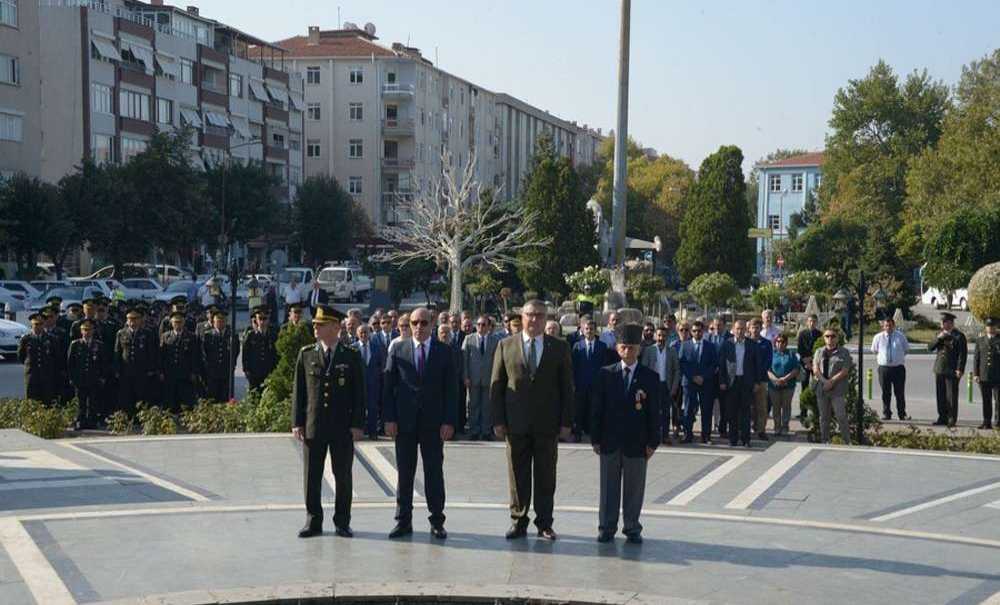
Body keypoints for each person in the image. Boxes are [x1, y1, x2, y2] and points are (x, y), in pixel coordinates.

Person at [491, 299, 574, 541]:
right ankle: (518, 520)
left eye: (539, 315)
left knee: (546, 476)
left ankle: (545, 523)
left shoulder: (559, 347)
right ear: (522, 317)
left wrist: (566, 421)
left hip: (547, 424)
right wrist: (498, 420)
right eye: (529, 315)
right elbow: (497, 387)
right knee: (517, 475)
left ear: (546, 318)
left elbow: (567, 388)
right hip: (515, 424)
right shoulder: (506, 345)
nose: (534, 319)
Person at [383, 307, 457, 540]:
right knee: (405, 473)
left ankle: (437, 521)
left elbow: (452, 390)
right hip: (404, 423)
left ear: (432, 324)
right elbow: (388, 387)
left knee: (434, 473)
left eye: (423, 323)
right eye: (414, 322)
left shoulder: (445, 351)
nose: (418, 327)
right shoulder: (398, 349)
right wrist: (389, 419)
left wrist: (449, 421)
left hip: (434, 424)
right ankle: (403, 520)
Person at [292, 305, 365, 538]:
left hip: (342, 427)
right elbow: (299, 392)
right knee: (312, 475)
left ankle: (342, 521)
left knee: (342, 475)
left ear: (335, 327)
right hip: (315, 425)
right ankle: (313, 520)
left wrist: (357, 424)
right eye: (315, 324)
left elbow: (359, 393)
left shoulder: (351, 356)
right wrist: (297, 422)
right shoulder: (307, 354)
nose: (315, 327)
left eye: (321, 324)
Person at [590, 323, 660, 544]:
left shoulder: (650, 377)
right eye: (623, 347)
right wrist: (595, 438)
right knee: (608, 488)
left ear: (639, 348)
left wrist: (653, 442)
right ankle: (607, 527)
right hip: (610, 440)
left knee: (634, 488)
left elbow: (655, 412)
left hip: (637, 442)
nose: (628, 351)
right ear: (617, 349)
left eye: (632, 347)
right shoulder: (605, 374)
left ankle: (632, 527)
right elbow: (597, 408)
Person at [719, 320, 760, 447]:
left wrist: (757, 382)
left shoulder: (752, 345)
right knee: (732, 412)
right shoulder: (727, 344)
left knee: (746, 412)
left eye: (742, 329)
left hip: (746, 382)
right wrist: (722, 381)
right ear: (733, 329)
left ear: (746, 330)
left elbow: (757, 365)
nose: (740, 331)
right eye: (737, 328)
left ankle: (746, 439)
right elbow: (721, 365)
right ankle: (733, 439)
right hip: (731, 382)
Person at [678, 320, 718, 444]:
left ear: (703, 331)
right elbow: (682, 363)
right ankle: (687, 434)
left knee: (706, 409)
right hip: (689, 382)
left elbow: (714, 364)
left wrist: (703, 377)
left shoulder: (710, 346)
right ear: (691, 332)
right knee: (688, 409)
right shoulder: (685, 345)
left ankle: (706, 436)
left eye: (699, 331)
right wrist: (693, 377)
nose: (697, 333)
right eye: (694, 331)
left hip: (706, 383)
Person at [114, 308, 159, 414]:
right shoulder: (121, 333)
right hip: (126, 370)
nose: (132, 321)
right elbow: (117, 352)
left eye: (135, 319)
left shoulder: (147, 333)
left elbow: (151, 352)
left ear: (140, 320)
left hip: (141, 370)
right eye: (130, 319)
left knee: (141, 395)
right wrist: (117, 369)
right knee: (127, 395)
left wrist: (151, 368)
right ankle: (128, 417)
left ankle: (140, 417)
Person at [813, 329, 854, 444]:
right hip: (822, 389)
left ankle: (847, 441)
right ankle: (825, 440)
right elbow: (816, 369)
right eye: (827, 336)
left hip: (837, 389)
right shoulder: (819, 352)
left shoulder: (844, 352)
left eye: (833, 336)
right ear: (824, 338)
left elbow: (845, 370)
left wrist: (831, 381)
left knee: (841, 416)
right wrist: (825, 382)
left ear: (837, 338)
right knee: (824, 417)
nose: (830, 338)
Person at [640, 326, 679, 445]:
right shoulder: (649, 350)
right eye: (659, 335)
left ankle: (665, 436)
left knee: (666, 413)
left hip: (666, 385)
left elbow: (676, 370)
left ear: (667, 337)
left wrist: (674, 387)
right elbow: (644, 369)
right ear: (656, 336)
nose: (661, 338)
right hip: (652, 386)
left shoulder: (671, 351)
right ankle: (652, 436)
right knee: (652, 412)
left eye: (664, 336)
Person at [67, 318, 109, 429]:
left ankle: (92, 421)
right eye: (85, 330)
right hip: (80, 378)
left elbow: (103, 363)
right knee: (80, 402)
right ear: (81, 331)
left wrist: (102, 377)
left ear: (93, 330)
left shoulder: (98, 345)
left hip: (94, 378)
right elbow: (70, 363)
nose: (87, 332)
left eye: (89, 330)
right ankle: (80, 421)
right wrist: (72, 378)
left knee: (93, 401)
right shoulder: (75, 344)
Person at [462, 315, 499, 441]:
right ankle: (474, 430)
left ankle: (486, 431)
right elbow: (464, 359)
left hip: (488, 378)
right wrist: (465, 376)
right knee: (473, 405)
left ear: (489, 327)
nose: (480, 327)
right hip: (473, 378)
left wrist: (496, 378)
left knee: (487, 406)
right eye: (478, 324)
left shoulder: (495, 341)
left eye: (483, 325)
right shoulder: (468, 339)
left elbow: (497, 361)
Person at [571, 317, 609, 440]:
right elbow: (574, 366)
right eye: (586, 329)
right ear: (583, 329)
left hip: (595, 384)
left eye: (591, 329)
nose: (589, 331)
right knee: (579, 409)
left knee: (594, 410)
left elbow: (604, 366)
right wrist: (573, 383)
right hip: (580, 383)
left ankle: (593, 433)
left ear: (595, 330)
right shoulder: (577, 346)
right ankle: (577, 433)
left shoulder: (602, 346)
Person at [929, 312, 967, 427]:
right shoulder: (939, 334)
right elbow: (930, 347)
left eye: (944, 322)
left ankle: (951, 419)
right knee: (940, 395)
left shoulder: (959, 336)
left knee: (951, 396)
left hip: (952, 370)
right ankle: (942, 417)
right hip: (940, 369)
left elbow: (962, 354)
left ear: (950, 323)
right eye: (941, 322)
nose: (942, 324)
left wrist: (960, 369)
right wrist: (938, 338)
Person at [159, 312, 200, 412]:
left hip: (185, 374)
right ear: (172, 323)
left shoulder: (191, 337)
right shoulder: (165, 336)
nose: (178, 324)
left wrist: (194, 372)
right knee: (170, 399)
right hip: (170, 373)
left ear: (184, 323)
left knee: (186, 399)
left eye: (180, 322)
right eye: (175, 322)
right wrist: (161, 371)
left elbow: (195, 356)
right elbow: (161, 356)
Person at [871, 317, 910, 421]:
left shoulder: (900, 336)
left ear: (894, 326)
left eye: (890, 325)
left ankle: (902, 414)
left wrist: (897, 358)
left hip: (898, 369)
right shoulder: (878, 337)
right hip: (884, 369)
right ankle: (886, 413)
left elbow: (906, 350)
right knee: (885, 392)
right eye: (886, 325)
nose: (888, 327)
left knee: (900, 392)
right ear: (883, 327)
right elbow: (875, 350)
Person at [18, 312, 58, 404]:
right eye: (36, 324)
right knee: (32, 402)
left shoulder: (51, 339)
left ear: (44, 324)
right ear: (31, 325)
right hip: (32, 376)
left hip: (47, 376)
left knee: (47, 401)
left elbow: (56, 357)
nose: (38, 327)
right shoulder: (26, 339)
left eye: (41, 324)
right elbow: (21, 356)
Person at [201, 310, 239, 402]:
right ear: (214, 323)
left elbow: (236, 351)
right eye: (218, 321)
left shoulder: (232, 335)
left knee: (225, 397)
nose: (220, 323)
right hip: (212, 371)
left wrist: (232, 365)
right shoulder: (208, 335)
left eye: (222, 321)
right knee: (212, 397)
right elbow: (204, 352)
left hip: (226, 370)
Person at [354, 323, 384, 440]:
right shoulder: (353, 348)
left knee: (373, 408)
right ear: (357, 334)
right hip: (358, 384)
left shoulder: (376, 347)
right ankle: (360, 431)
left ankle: (373, 432)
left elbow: (380, 364)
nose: (363, 335)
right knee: (359, 408)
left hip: (373, 383)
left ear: (369, 333)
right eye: (361, 332)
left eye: (365, 332)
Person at [767, 333, 799, 437]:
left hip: (788, 385)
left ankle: (785, 426)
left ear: (786, 343)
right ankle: (777, 427)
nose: (780, 344)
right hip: (774, 385)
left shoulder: (791, 354)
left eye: (782, 342)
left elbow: (796, 369)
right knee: (775, 407)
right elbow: (767, 370)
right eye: (778, 341)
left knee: (786, 406)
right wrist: (776, 379)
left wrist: (785, 379)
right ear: (775, 343)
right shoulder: (771, 354)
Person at [242, 306, 278, 394]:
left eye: (264, 319)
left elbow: (277, 355)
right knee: (254, 398)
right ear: (256, 320)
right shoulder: (251, 336)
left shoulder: (273, 335)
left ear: (268, 319)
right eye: (260, 318)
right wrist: (247, 372)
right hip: (254, 374)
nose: (262, 321)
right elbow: (245, 355)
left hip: (269, 374)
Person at [973, 317, 1000, 429]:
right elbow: (976, 359)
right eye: (988, 326)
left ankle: (998, 421)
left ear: (996, 327)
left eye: (992, 326)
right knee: (986, 400)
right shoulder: (980, 340)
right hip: (984, 375)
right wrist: (976, 374)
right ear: (985, 327)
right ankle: (986, 421)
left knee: (998, 400)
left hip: (998, 375)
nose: (990, 328)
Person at [748, 318, 773, 440]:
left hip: (761, 380)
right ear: (750, 329)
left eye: (757, 327)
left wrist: (757, 379)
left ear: (761, 328)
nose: (755, 330)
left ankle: (761, 430)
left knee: (762, 406)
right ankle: (747, 428)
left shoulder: (767, 343)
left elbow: (767, 363)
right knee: (747, 406)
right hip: (747, 380)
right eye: (753, 327)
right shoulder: (746, 342)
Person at [796, 314, 822, 419]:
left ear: (816, 323)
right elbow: (800, 349)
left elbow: (819, 348)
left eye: (814, 321)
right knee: (804, 387)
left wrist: (813, 362)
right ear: (807, 322)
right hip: (805, 364)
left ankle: (816, 411)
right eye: (810, 321)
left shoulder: (820, 334)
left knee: (817, 387)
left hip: (815, 364)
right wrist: (806, 362)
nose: (812, 323)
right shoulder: (802, 334)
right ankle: (803, 412)